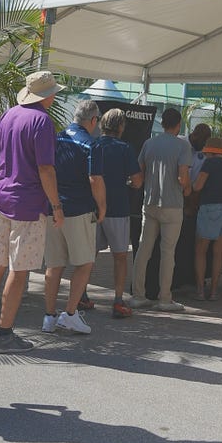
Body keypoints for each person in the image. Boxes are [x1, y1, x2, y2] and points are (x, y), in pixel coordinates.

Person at [0, 70, 64, 354]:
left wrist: (3, 184)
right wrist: (56, 206)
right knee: (19, 270)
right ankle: (4, 334)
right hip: (29, 204)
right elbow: (46, 169)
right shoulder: (42, 121)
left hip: (3, 201)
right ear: (47, 95)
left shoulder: (8, 115)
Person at [42, 100, 105, 336]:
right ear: (93, 120)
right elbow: (95, 179)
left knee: (54, 264)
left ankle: (49, 316)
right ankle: (69, 314)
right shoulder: (91, 144)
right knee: (85, 263)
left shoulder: (55, 138)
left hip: (53, 207)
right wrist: (102, 206)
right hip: (79, 209)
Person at [130, 106, 192, 312]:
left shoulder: (149, 143)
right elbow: (183, 177)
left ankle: (138, 294)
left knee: (143, 250)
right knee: (168, 253)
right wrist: (187, 187)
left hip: (150, 202)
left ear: (163, 122)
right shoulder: (183, 146)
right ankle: (164, 298)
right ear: (178, 124)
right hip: (173, 205)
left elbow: (139, 172)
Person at [90, 107, 143, 318]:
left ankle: (80, 296)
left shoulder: (93, 144)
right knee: (120, 257)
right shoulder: (125, 148)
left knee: (88, 256)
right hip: (118, 208)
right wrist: (128, 181)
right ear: (121, 126)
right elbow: (137, 181)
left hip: (92, 208)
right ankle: (118, 301)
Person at [192, 137, 222, 301]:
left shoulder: (209, 163)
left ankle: (199, 290)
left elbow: (197, 186)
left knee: (201, 250)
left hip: (212, 207)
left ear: (209, 151)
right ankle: (213, 292)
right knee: (219, 252)